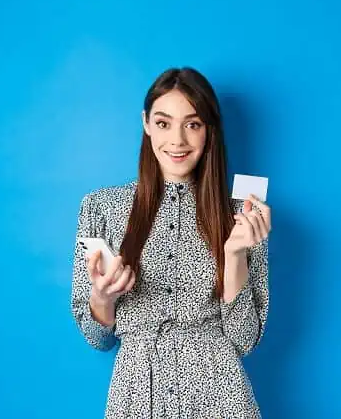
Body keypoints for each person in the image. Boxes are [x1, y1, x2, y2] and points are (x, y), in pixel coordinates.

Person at [70, 67, 271, 418]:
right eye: (164, 123)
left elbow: (244, 340)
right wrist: (103, 296)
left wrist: (235, 253)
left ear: (209, 131)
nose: (177, 140)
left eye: (192, 124)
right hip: (136, 396)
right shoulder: (100, 207)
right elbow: (97, 339)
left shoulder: (244, 214)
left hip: (220, 395)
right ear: (146, 123)